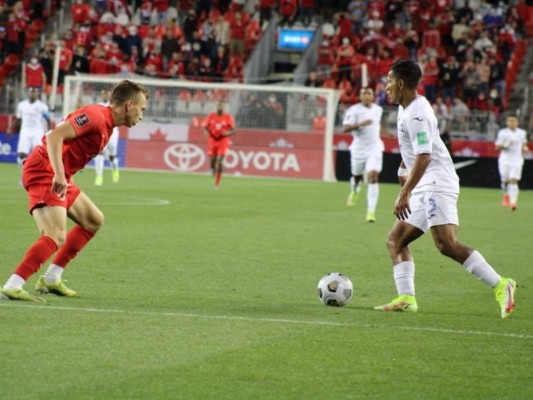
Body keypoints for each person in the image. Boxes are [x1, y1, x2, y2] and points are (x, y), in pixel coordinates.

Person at [374, 60, 516, 319]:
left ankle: (501, 284)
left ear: (401, 83)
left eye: (389, 81)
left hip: (437, 182)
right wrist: (403, 174)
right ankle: (406, 298)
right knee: (395, 240)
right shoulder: (407, 109)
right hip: (424, 184)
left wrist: (404, 192)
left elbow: (425, 156)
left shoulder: (417, 114)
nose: (386, 86)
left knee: (446, 244)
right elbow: (414, 152)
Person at [0, 80, 149, 302]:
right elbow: (54, 137)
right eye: (142, 108)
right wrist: (59, 174)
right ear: (129, 105)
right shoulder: (96, 116)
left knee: (93, 220)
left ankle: (52, 278)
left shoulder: (107, 125)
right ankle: (14, 284)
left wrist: (63, 175)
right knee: (55, 235)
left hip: (59, 174)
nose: (142, 115)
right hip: (45, 170)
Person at [342, 87, 387, 223]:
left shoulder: (378, 110)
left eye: (369, 93)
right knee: (356, 177)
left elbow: (377, 126)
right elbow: (345, 128)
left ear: (373, 96)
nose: (367, 96)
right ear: (360, 96)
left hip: (374, 148)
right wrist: (361, 123)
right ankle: (355, 189)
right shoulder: (354, 110)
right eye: (364, 93)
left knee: (372, 176)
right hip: (358, 149)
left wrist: (387, 133)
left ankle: (371, 212)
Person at [7, 87, 52, 181]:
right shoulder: (22, 105)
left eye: (34, 92)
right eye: (31, 92)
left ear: (37, 94)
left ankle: (40, 176)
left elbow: (48, 119)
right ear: (28, 93)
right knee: (21, 155)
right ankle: (25, 177)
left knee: (40, 155)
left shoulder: (42, 106)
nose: (32, 94)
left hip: (37, 132)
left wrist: (50, 132)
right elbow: (19, 119)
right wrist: (11, 129)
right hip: (25, 131)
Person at [495, 115, 529, 211]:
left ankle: (513, 202)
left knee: (513, 180)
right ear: (507, 122)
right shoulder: (502, 133)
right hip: (505, 160)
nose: (512, 123)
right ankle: (506, 194)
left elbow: (523, 144)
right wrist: (506, 145)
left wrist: (525, 148)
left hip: (517, 160)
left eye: (513, 121)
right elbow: (497, 147)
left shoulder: (522, 133)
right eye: (510, 121)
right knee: (505, 181)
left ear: (517, 122)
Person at [202, 101, 236, 188]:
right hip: (212, 139)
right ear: (216, 106)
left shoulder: (228, 117)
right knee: (212, 163)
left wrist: (227, 133)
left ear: (224, 107)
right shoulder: (211, 116)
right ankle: (213, 169)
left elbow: (234, 130)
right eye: (218, 106)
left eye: (221, 106)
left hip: (223, 140)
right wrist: (206, 132)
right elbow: (205, 126)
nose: (219, 107)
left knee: (220, 160)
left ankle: (217, 183)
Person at [94, 89, 120, 186]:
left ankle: (115, 169)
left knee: (112, 156)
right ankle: (99, 177)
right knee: (99, 154)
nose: (105, 95)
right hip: (102, 132)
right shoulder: (99, 105)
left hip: (113, 133)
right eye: (103, 94)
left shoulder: (115, 105)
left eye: (107, 94)